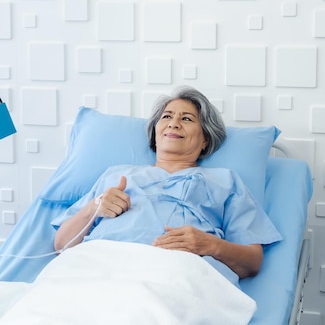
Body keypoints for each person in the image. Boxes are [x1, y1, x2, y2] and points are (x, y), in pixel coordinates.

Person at [52, 86, 282, 285]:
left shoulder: (225, 181)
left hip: (176, 273)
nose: (174, 123)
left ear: (205, 140)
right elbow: (62, 244)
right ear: (155, 133)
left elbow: (252, 261)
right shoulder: (116, 175)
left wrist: (210, 245)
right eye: (167, 117)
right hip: (98, 267)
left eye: (187, 119)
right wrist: (95, 207)